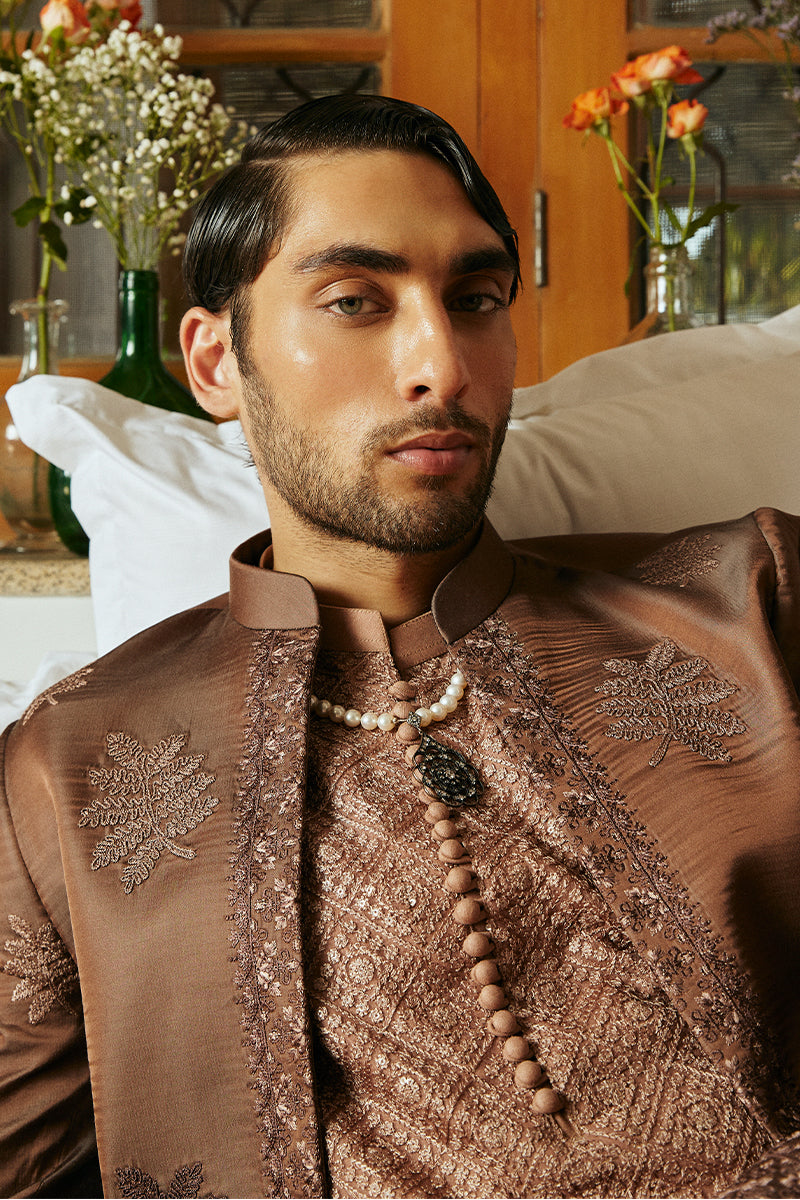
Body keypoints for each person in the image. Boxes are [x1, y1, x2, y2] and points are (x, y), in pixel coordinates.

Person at [1, 93, 799, 1200]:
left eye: (474, 299)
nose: (443, 365)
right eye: (354, 302)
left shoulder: (752, 602)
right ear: (216, 362)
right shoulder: (70, 764)